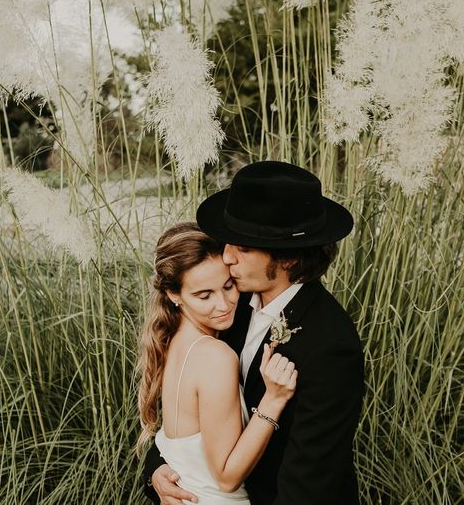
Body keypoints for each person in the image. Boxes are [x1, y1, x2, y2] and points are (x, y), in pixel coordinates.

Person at [143, 161, 365, 505]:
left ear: (288, 259)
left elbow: (307, 485)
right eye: (229, 242)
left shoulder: (331, 345)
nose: (227, 257)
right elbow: (189, 410)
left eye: (243, 249)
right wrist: (158, 469)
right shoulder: (229, 300)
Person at [137, 222, 300, 504]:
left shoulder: (171, 341)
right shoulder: (215, 356)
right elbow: (227, 477)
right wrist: (272, 400)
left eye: (228, 286)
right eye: (204, 296)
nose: (224, 305)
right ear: (174, 295)